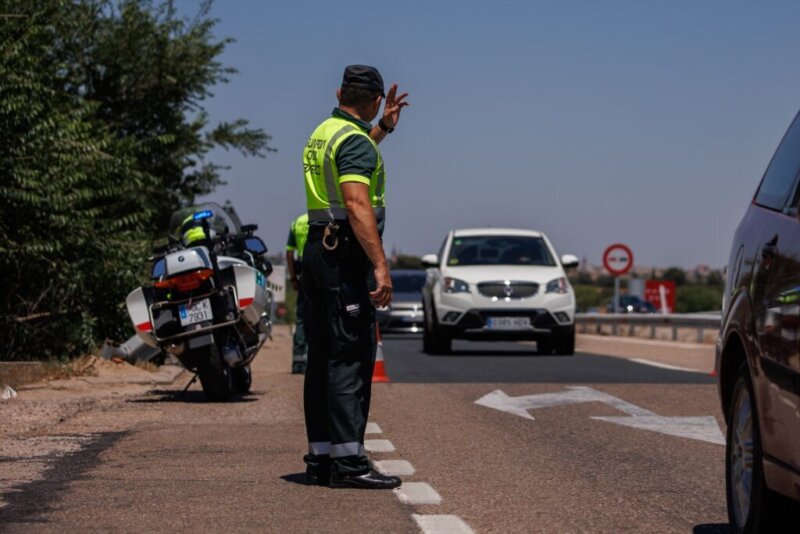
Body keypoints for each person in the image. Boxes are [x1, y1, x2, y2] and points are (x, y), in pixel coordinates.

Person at [301, 65, 408, 489]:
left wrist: (382, 128)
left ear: (339, 92)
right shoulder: (355, 144)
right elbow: (356, 203)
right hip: (344, 257)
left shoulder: (325, 131)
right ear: (377, 98)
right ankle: (350, 465)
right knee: (350, 357)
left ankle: (323, 459)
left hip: (318, 252)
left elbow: (349, 159)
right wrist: (380, 266)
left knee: (323, 357)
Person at [286, 212, 309, 374]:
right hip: (319, 267)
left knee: (301, 318)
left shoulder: (297, 222)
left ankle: (298, 363)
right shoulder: (324, 219)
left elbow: (289, 253)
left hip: (302, 271)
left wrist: (293, 277)